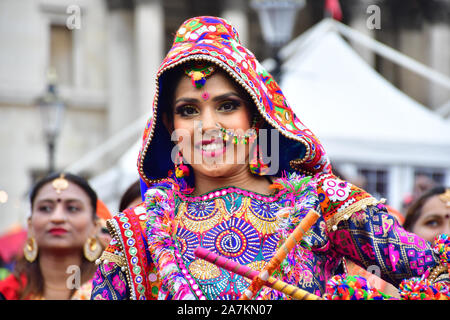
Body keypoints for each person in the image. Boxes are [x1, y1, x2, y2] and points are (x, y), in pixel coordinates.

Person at [91, 16, 449, 300]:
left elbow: (438, 272)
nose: (207, 126)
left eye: (227, 106)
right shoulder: (137, 231)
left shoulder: (321, 204)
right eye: (188, 110)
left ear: (257, 116)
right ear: (170, 126)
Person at [0, 172, 103, 300]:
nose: (57, 218)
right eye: (46, 208)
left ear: (95, 226)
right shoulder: (7, 292)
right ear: (30, 225)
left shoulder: (114, 289)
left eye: (72, 208)